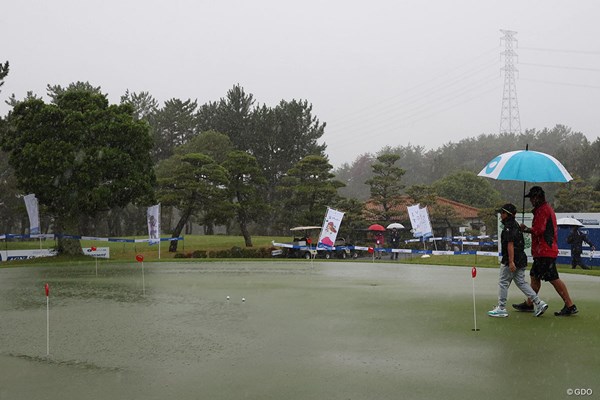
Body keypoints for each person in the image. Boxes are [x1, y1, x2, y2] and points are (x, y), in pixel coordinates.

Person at [514, 186, 578, 316]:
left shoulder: (542, 210)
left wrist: (525, 229)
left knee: (553, 278)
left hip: (545, 250)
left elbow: (539, 230)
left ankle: (570, 305)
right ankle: (530, 303)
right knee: (535, 276)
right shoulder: (543, 209)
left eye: (532, 198)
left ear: (537, 197)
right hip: (544, 250)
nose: (531, 200)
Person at [488, 203, 548, 318]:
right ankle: (539, 303)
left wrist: (511, 262)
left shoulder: (508, 227)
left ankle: (501, 308)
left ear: (508, 214)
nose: (501, 215)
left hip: (512, 259)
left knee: (503, 283)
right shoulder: (515, 225)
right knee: (521, 282)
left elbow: (510, 245)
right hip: (521, 258)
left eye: (503, 213)